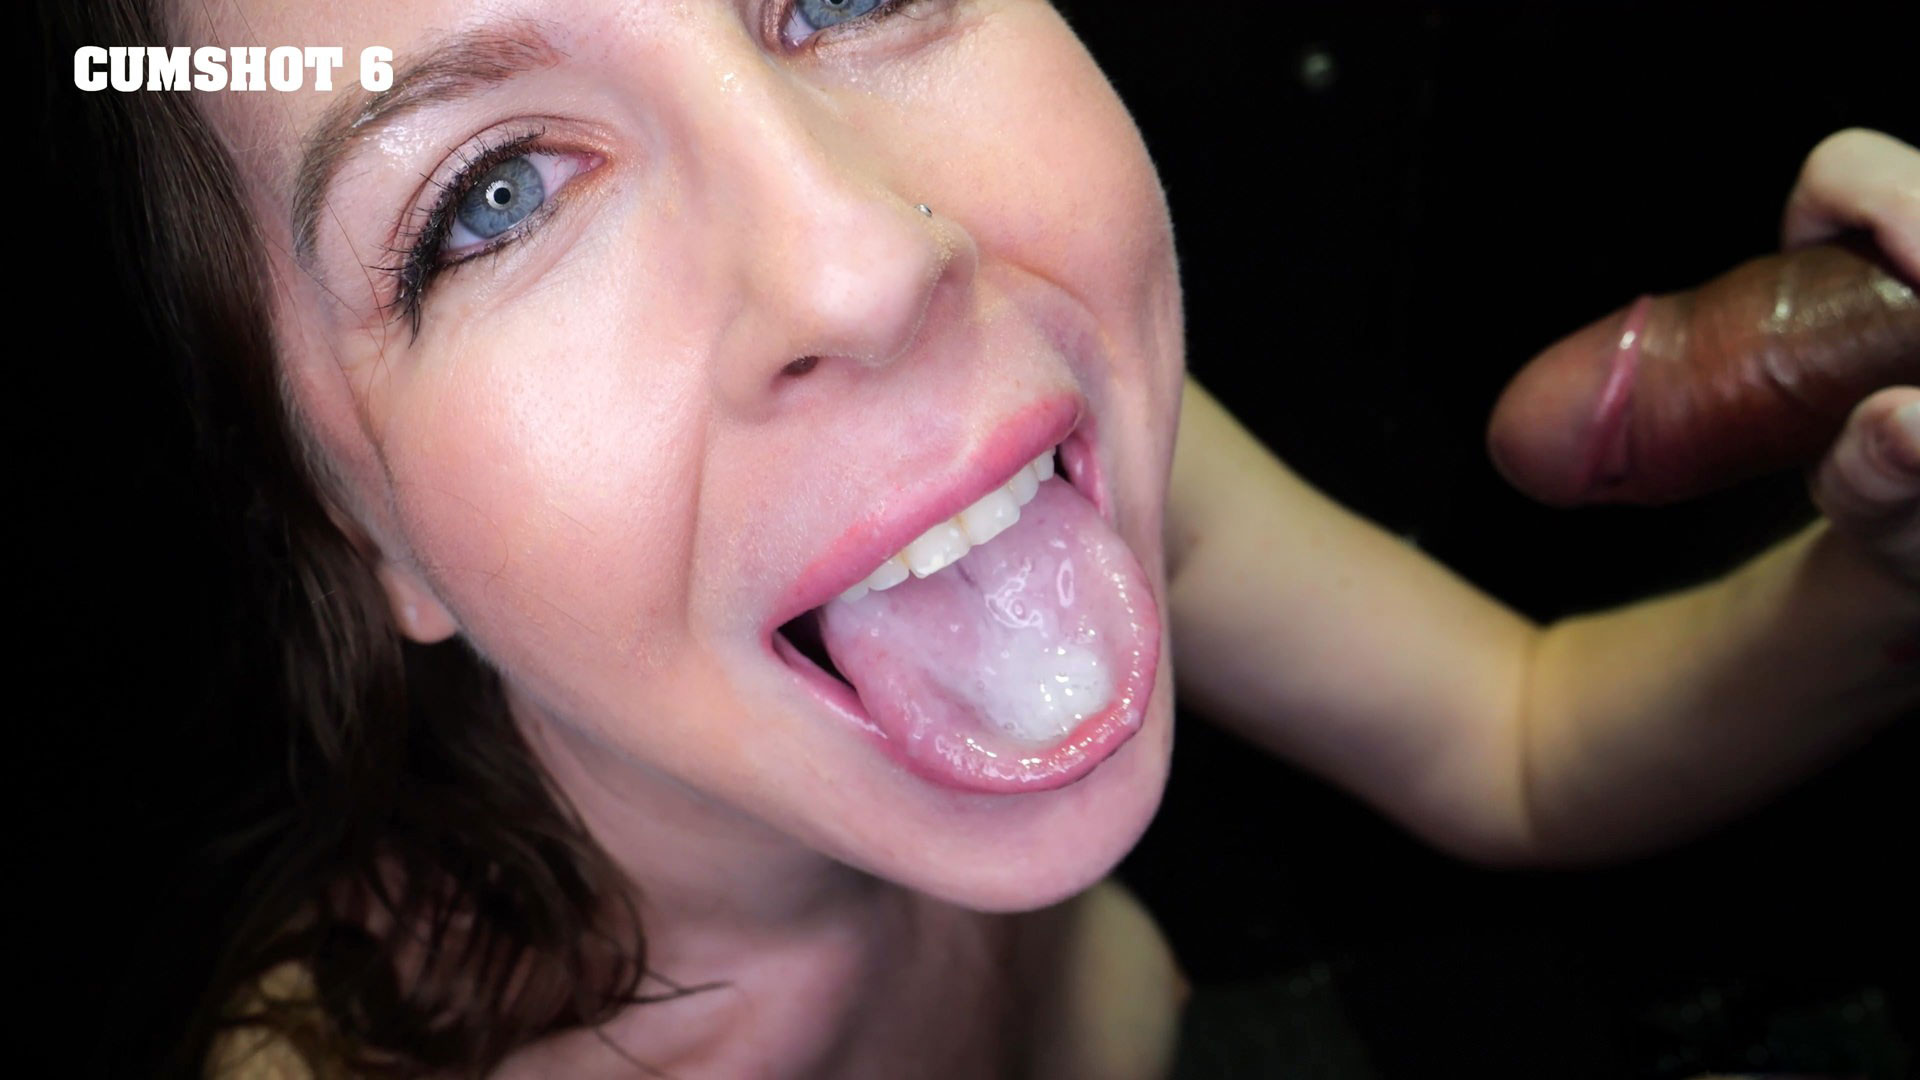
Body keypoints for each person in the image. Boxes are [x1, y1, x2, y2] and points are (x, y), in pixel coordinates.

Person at [54, 0, 1918, 1076]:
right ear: (354, 528)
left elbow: (1523, 740)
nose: (867, 263)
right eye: (494, 198)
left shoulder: (1007, 484)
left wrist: (1884, 574)